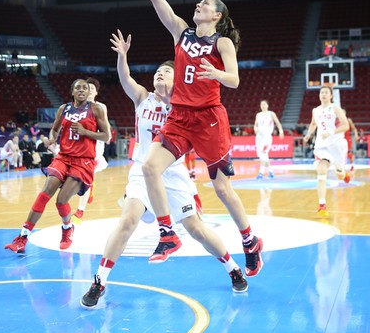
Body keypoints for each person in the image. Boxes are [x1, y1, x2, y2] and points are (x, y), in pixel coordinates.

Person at [126, 0, 264, 277]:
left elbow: (234, 79)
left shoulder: (223, 44)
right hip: (180, 117)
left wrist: (213, 74)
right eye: (199, 4)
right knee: (148, 167)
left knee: (221, 187)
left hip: (209, 119)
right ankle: (167, 232)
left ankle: (249, 240)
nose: (198, 5)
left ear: (216, 16)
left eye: (206, 5)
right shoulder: (181, 32)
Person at [80, 32, 248, 309]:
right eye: (157, 71)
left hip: (174, 173)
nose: (159, 74)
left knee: (197, 230)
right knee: (127, 221)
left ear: (178, 78)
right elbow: (125, 79)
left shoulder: (186, 106)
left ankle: (232, 268)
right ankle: (99, 280)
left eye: (166, 72)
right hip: (143, 170)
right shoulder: (143, 98)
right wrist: (122, 56)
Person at [4, 79, 110, 253]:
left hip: (83, 161)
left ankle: (67, 228)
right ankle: (22, 237)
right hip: (63, 157)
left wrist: (85, 132)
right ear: (72, 91)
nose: (82, 90)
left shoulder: (96, 109)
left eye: (85, 88)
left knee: (61, 201)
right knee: (45, 193)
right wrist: (53, 138)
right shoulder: (64, 108)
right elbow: (54, 129)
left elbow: (106, 136)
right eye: (78, 88)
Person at [303, 86, 352, 216]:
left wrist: (331, 132)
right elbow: (314, 124)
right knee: (321, 170)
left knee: (339, 174)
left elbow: (346, 126)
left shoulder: (335, 108)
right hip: (321, 146)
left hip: (336, 144)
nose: (323, 94)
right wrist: (308, 135)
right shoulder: (316, 110)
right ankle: (322, 205)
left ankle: (344, 173)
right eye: (321, 92)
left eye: (326, 92)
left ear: (331, 95)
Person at [72, 77, 111, 223]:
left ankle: (80, 211)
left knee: (84, 179)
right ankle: (90, 187)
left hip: (95, 147)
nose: (88, 91)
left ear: (95, 93)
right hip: (79, 147)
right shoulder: (76, 107)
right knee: (76, 178)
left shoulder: (101, 107)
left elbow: (105, 123)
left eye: (91, 89)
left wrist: (107, 134)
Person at [254, 99, 284, 179]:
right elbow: (255, 125)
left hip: (267, 137)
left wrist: (281, 131)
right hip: (259, 137)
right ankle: (271, 172)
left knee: (264, 153)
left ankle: (261, 173)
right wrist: (255, 129)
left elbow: (277, 123)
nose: (263, 106)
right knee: (263, 156)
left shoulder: (271, 114)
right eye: (261, 104)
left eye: (264, 104)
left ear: (267, 105)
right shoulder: (258, 115)